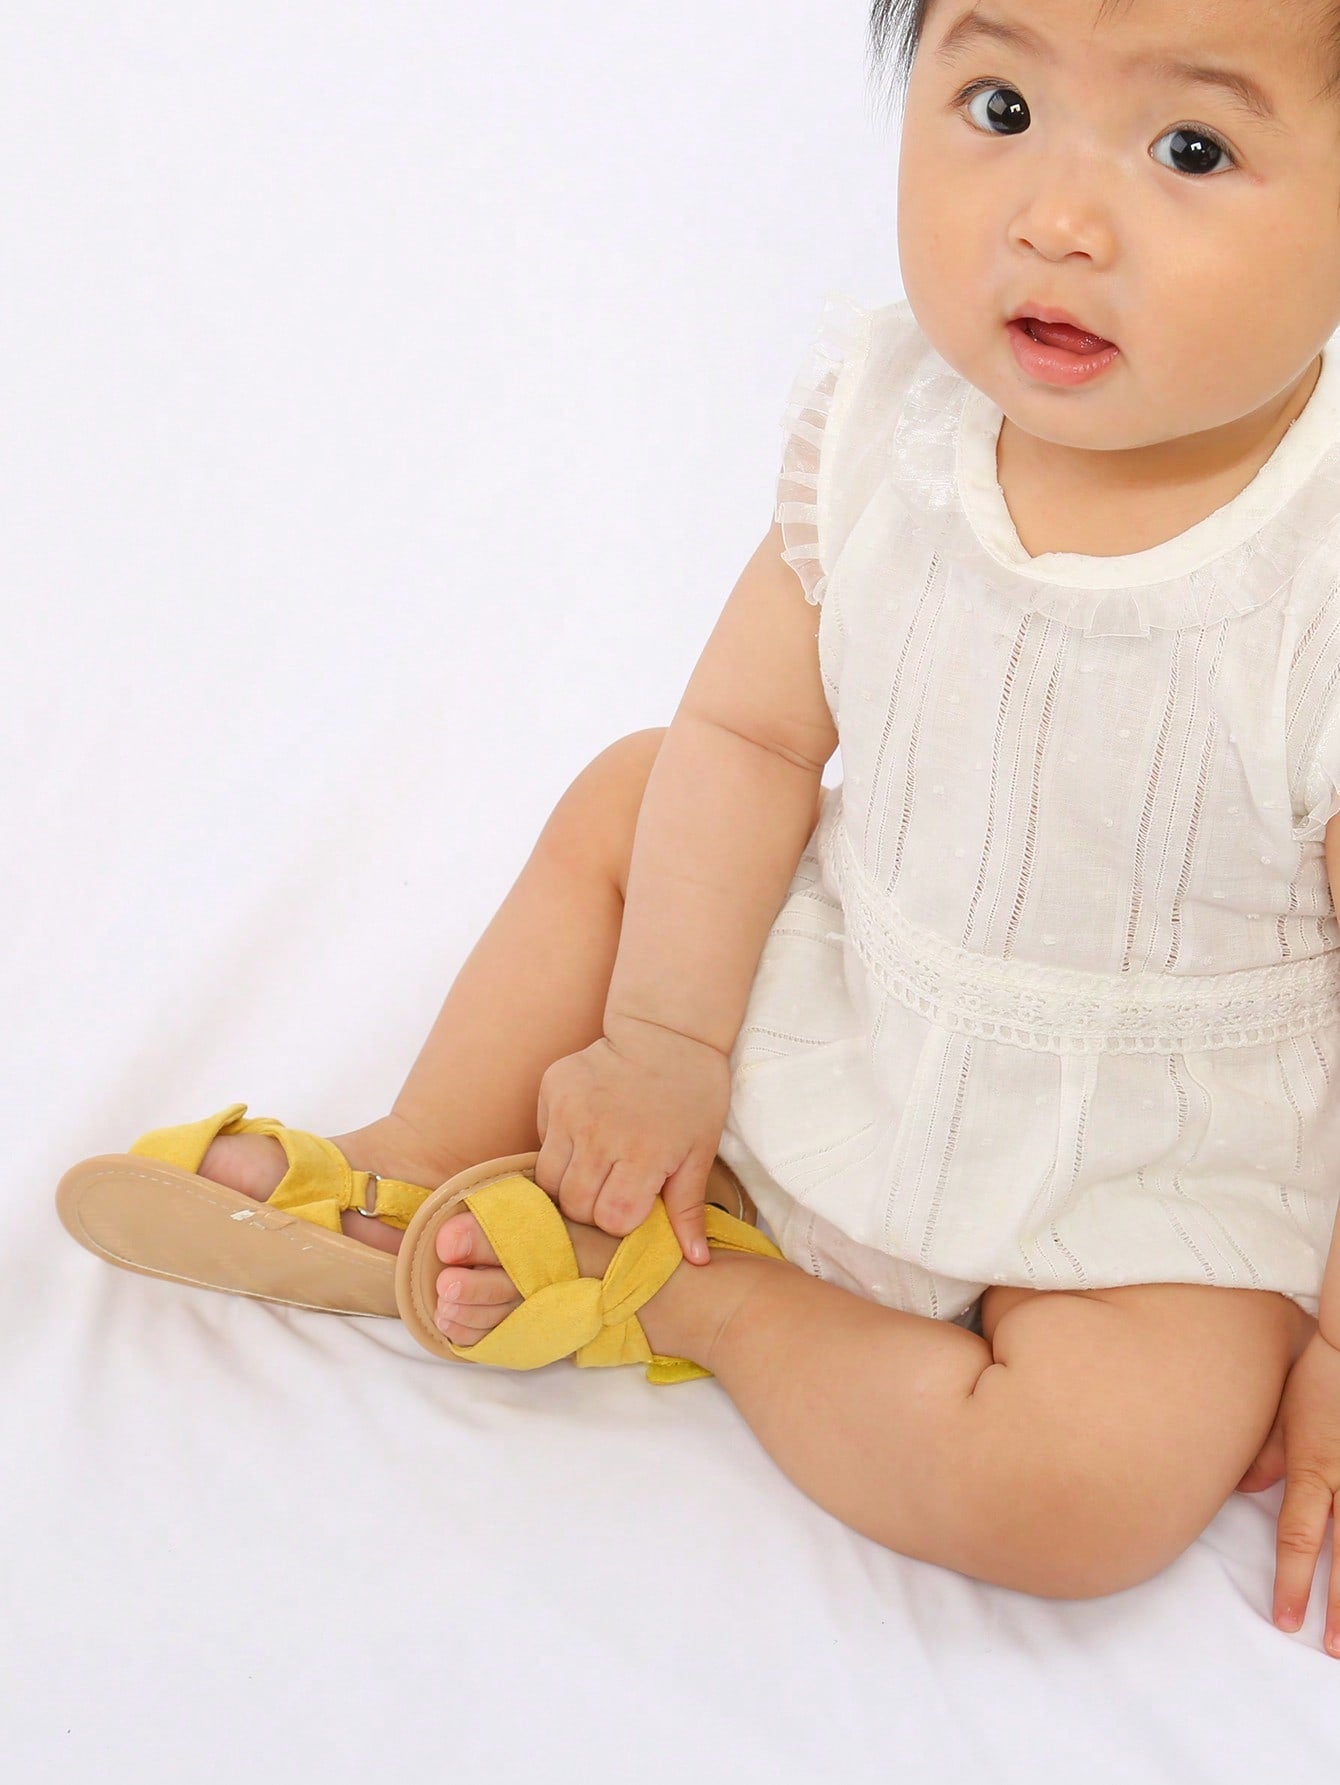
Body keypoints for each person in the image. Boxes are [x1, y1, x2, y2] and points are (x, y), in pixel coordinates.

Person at [55, 0, 1340, 1637]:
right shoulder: (887, 424)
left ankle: (690, 1293)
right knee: (640, 785)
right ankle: (416, 1159)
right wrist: (663, 1037)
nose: (1058, 219)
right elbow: (752, 734)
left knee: (1084, 1488)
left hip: (1156, 1155)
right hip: (861, 996)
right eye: (1002, 106)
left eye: (1190, 148)